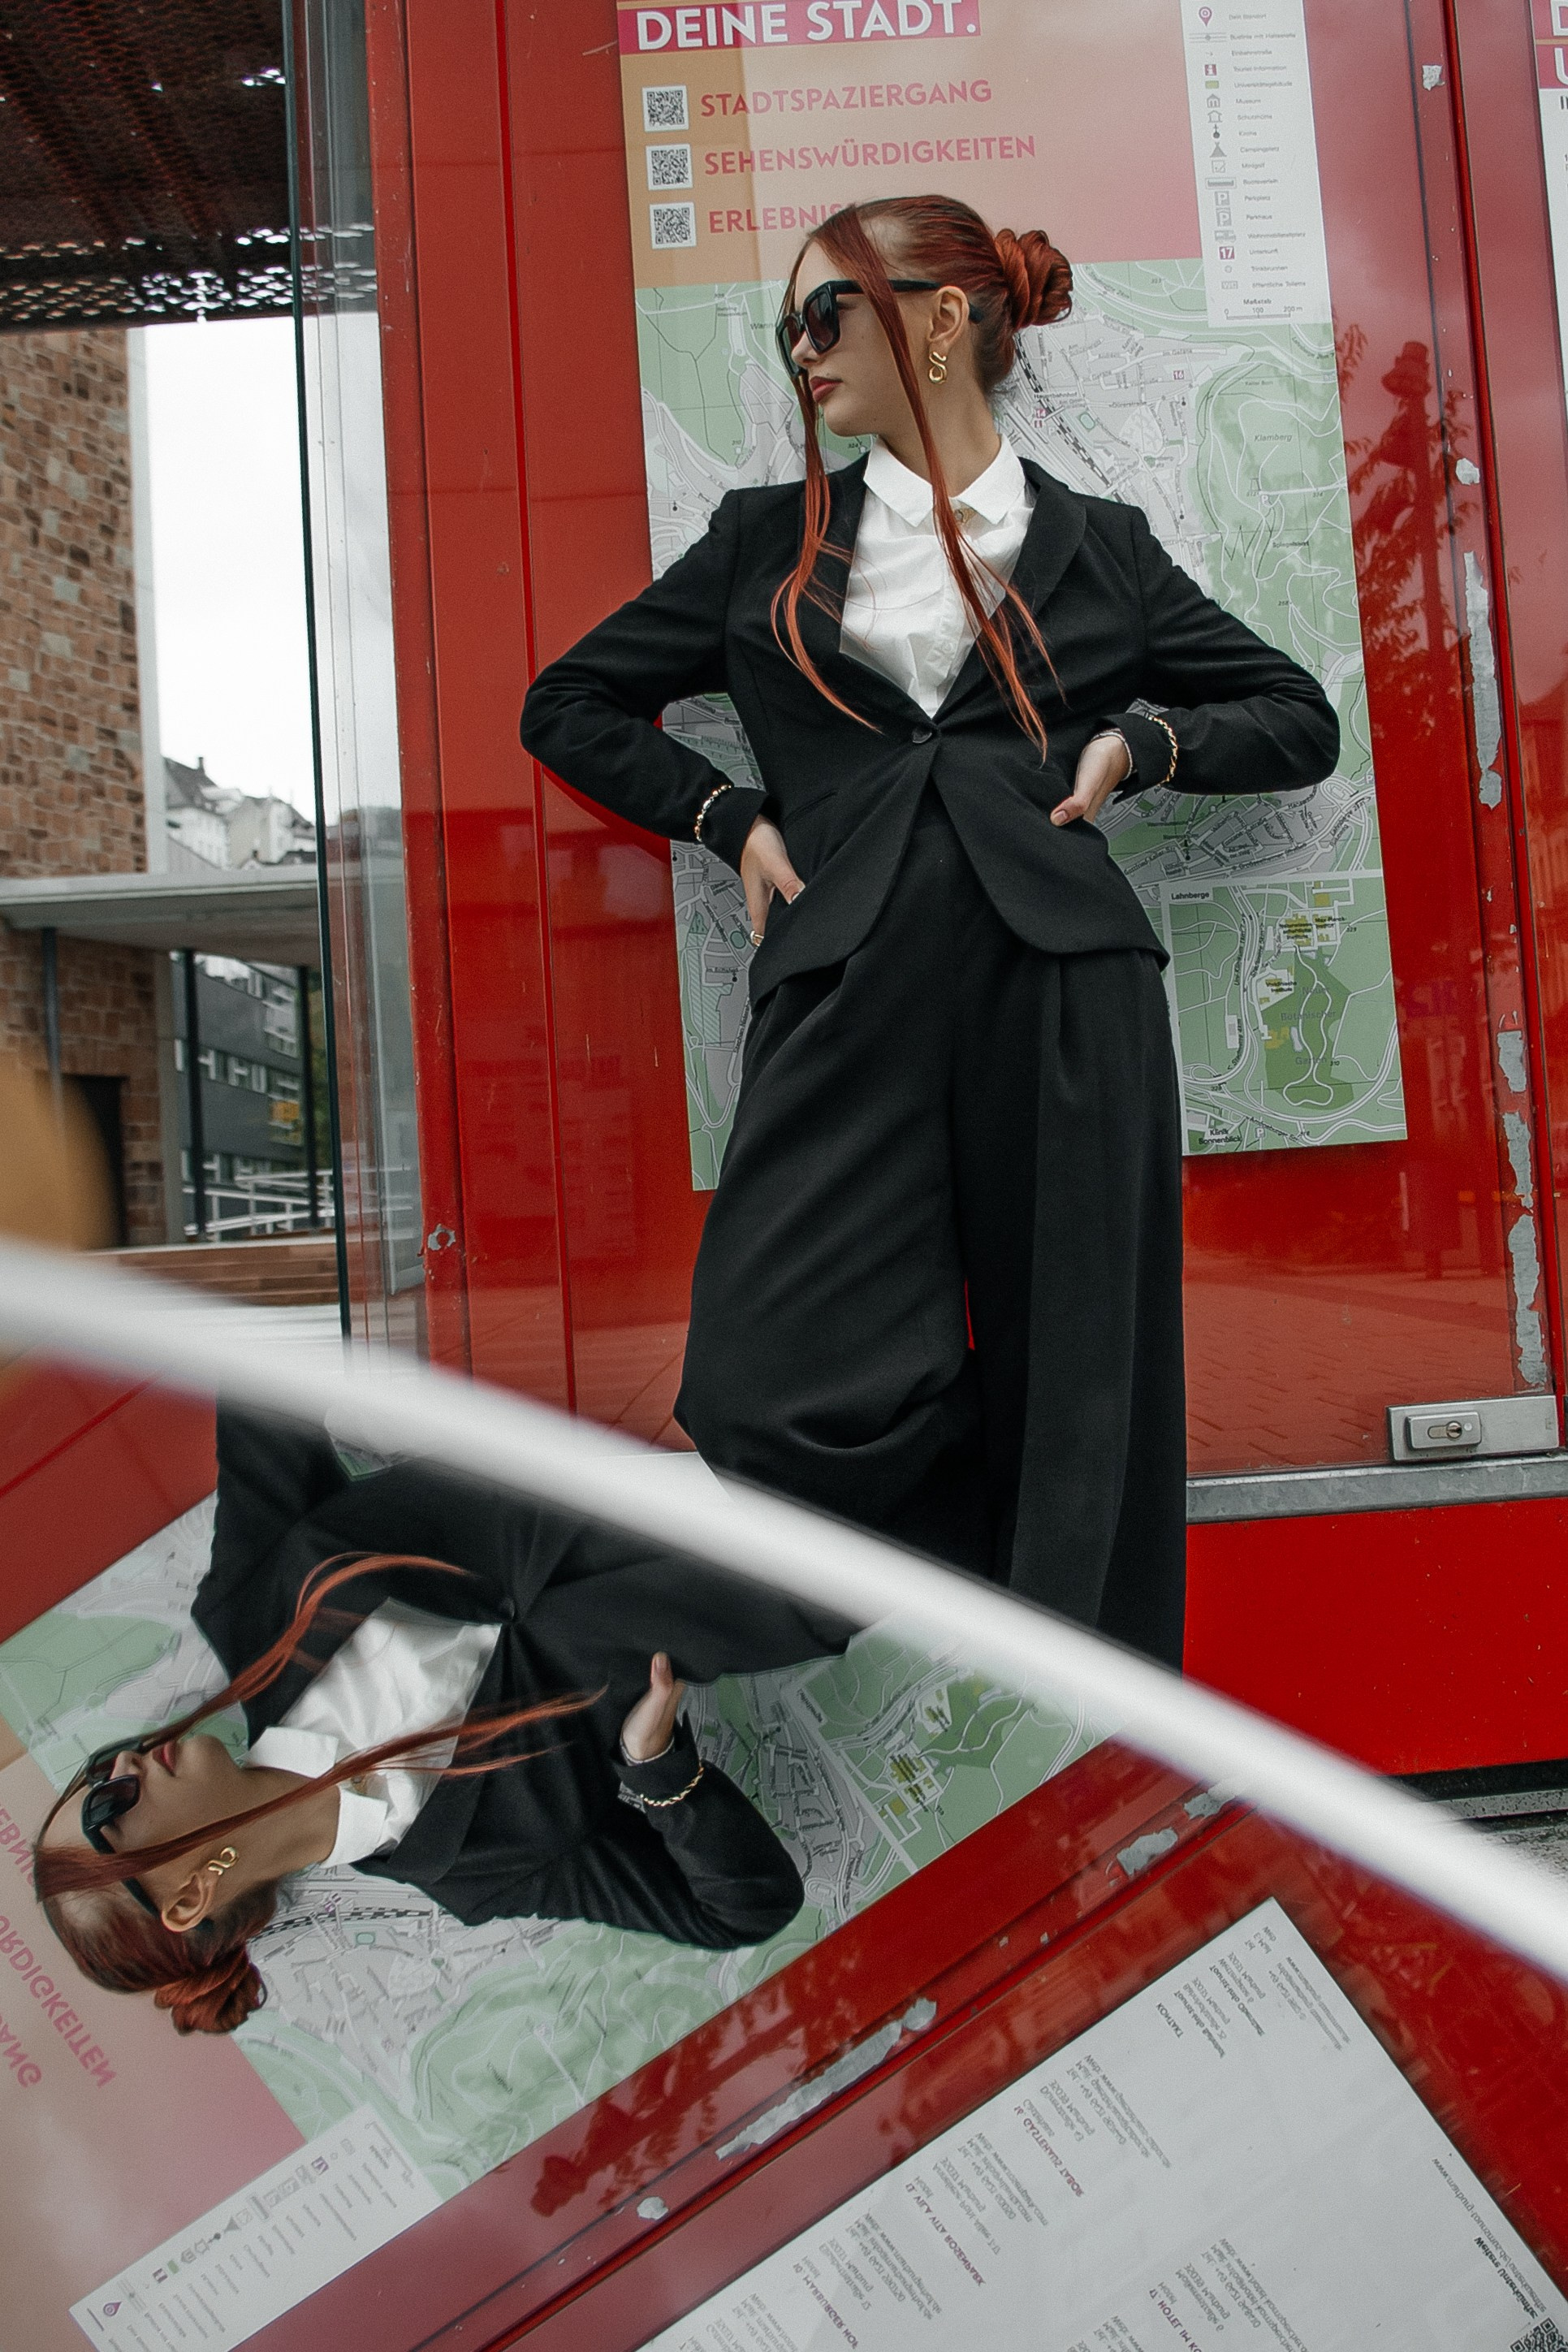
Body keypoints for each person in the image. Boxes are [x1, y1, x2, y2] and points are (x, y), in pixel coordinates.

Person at [520, 194, 1339, 1671]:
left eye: (824, 314)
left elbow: (1298, 717)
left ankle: (1080, 1737)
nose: (800, 351)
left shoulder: (1102, 547)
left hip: (1065, 982)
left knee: (1084, 1382)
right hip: (843, 979)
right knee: (768, 1375)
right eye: (787, 332)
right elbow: (566, 703)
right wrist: (727, 818)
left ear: (942, 321)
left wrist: (1139, 744)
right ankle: (954, 1582)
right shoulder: (767, 538)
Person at [32, 1408, 853, 2034]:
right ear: (187, 1899)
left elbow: (256, 1361)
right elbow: (742, 1908)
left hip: (693, 1395)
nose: (121, 1768)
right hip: (820, 1554)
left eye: (96, 1771)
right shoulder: (482, 1866)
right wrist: (659, 1771)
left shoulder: (250, 1609)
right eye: (109, 1810)